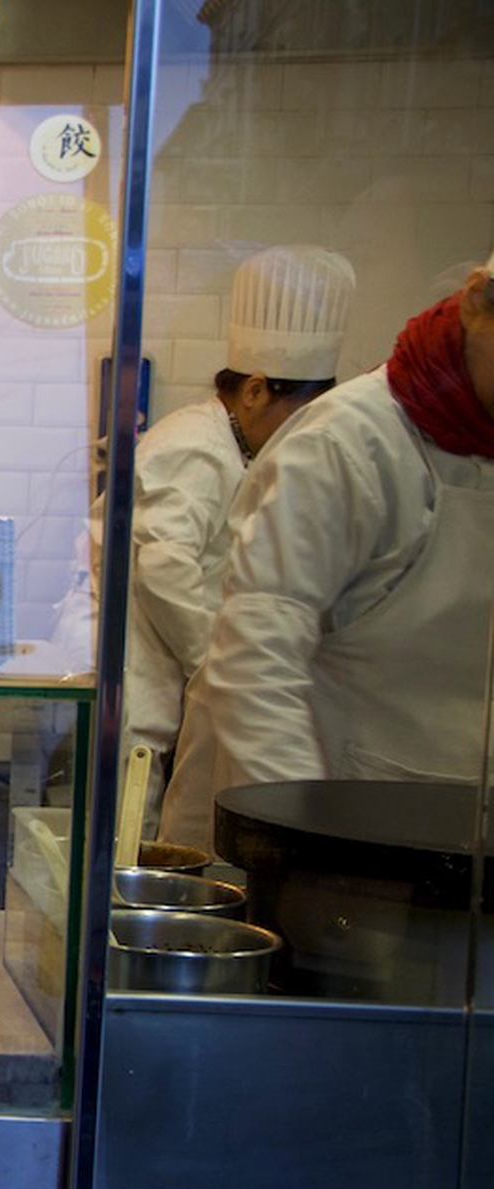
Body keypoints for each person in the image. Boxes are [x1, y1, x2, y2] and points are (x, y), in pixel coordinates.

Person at [160, 249, 494, 851]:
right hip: (343, 826)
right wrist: (310, 850)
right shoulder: (344, 444)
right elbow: (241, 641)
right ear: (476, 302)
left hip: (452, 825)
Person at [115, 245, 354, 838]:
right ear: (255, 391)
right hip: (139, 677)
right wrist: (216, 664)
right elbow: (163, 567)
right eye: (296, 415)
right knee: (128, 832)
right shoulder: (196, 445)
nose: (298, 435)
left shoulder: (232, 445)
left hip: (166, 679)